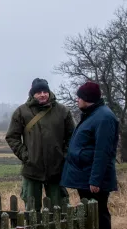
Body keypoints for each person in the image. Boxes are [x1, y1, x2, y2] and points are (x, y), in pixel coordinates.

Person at [60, 80, 119, 229]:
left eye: (80, 96)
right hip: (84, 175)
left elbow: (103, 152)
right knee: (89, 214)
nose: (77, 99)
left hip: (93, 179)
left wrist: (95, 180)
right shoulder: (92, 114)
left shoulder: (104, 118)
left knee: (100, 215)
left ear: (88, 99)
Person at [5, 78, 75, 214]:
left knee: (59, 210)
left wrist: (64, 156)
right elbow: (12, 137)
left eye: (45, 91)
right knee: (32, 211)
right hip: (32, 169)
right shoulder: (21, 112)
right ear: (32, 94)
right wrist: (26, 156)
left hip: (57, 169)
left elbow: (72, 137)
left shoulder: (63, 111)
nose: (42, 94)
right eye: (38, 92)